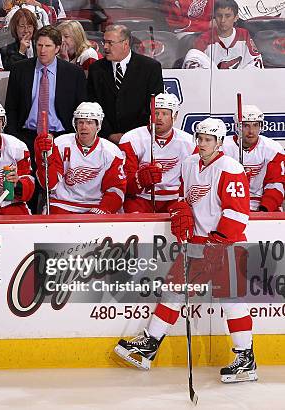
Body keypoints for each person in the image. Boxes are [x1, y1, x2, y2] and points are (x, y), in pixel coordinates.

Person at [115, 118, 257, 384]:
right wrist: (180, 211)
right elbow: (184, 198)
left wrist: (217, 243)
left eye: (208, 140)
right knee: (174, 290)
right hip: (196, 243)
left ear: (219, 143)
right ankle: (150, 345)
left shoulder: (230, 169)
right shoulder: (189, 164)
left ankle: (245, 358)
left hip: (225, 244)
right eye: (200, 138)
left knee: (231, 301)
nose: (202, 144)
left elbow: (237, 213)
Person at [4, 25, 86, 161]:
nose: (42, 51)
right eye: (39, 45)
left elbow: (80, 109)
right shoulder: (20, 70)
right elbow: (11, 108)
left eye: (47, 46)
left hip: (62, 138)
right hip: (26, 137)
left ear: (57, 48)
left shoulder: (74, 73)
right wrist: (15, 137)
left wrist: (72, 137)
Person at [33, 102, 126, 214]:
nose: (84, 127)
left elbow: (115, 189)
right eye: (80, 122)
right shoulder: (59, 144)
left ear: (98, 126)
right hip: (61, 203)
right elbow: (49, 184)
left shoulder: (111, 152)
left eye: (89, 122)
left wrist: (104, 209)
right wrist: (43, 157)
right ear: (75, 124)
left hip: (96, 204)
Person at [86, 24, 163, 145]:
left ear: (125, 44)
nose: (105, 47)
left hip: (140, 139)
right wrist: (109, 134)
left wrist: (131, 135)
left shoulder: (150, 68)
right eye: (104, 42)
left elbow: (152, 106)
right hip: (106, 140)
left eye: (110, 43)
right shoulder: (96, 69)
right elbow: (93, 104)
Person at [119, 93, 195, 213]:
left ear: (174, 116)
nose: (159, 117)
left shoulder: (189, 143)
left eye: (164, 114)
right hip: (141, 198)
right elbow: (124, 183)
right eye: (156, 113)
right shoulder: (131, 139)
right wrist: (140, 179)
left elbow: (194, 179)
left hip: (174, 200)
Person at [222, 104, 285, 211]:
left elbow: (276, 183)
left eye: (255, 125)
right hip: (228, 204)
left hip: (261, 203)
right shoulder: (222, 147)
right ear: (237, 126)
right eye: (246, 125)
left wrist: (266, 207)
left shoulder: (272, 149)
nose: (251, 131)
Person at [183, 0, 263, 70]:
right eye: (219, 16)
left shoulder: (243, 35)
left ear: (236, 17)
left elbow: (256, 61)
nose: (223, 20)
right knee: (192, 53)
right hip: (212, 84)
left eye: (228, 16)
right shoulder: (204, 39)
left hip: (240, 83)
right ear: (214, 17)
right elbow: (192, 62)